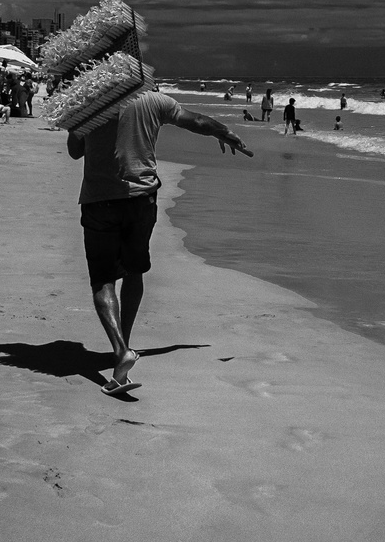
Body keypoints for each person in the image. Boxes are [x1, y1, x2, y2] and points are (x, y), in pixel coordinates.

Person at [67, 88, 252, 396]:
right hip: (141, 199)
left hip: (100, 201)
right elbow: (195, 121)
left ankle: (121, 350)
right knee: (134, 271)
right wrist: (226, 132)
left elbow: (75, 150)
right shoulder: (153, 100)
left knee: (103, 281)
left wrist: (83, 120)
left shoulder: (89, 100)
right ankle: (123, 348)